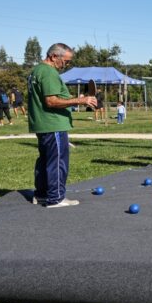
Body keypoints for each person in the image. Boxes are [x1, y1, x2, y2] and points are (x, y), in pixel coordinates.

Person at [28, 43, 97, 207]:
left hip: (43, 123)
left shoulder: (36, 70)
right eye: (65, 61)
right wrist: (80, 100)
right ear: (53, 57)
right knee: (57, 161)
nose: (66, 65)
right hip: (53, 124)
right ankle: (56, 198)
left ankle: (43, 194)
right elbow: (51, 101)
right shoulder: (48, 72)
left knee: (45, 160)